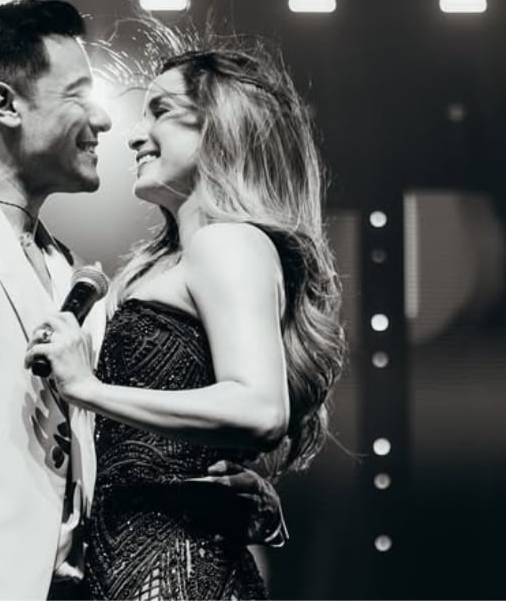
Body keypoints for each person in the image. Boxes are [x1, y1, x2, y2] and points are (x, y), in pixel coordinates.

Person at [0, 0, 285, 600]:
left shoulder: (74, 273)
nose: (105, 120)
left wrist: (204, 491)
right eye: (79, 95)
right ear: (5, 104)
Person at [25, 44, 346, 599]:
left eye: (161, 111)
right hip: (131, 569)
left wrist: (88, 388)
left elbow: (259, 409)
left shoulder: (227, 243)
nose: (134, 136)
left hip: (175, 573)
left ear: (219, 127)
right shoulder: (174, 260)